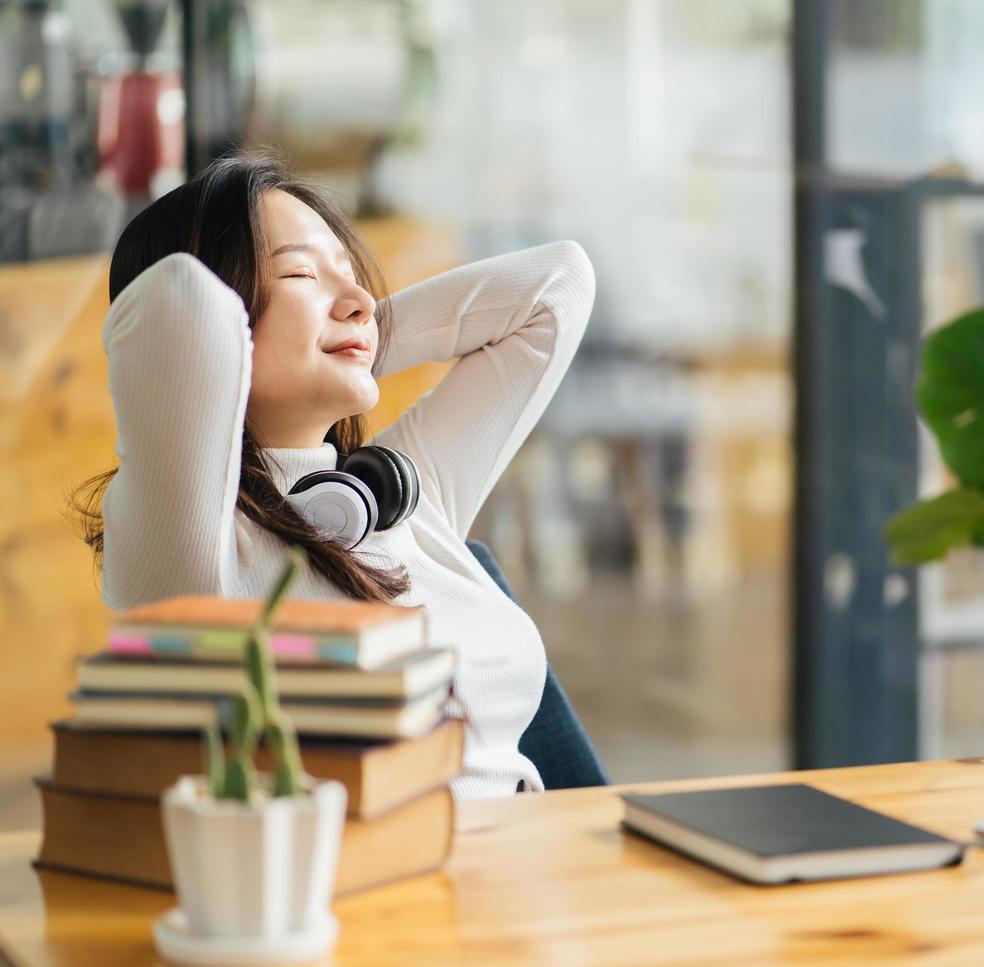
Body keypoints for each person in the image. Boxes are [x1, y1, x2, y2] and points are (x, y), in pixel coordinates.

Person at [68, 151, 595, 799]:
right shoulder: (187, 550)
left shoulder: (397, 492)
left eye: (354, 280)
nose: (358, 301)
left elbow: (558, 285)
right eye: (298, 274)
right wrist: (319, 342)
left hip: (545, 870)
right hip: (394, 888)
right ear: (230, 317)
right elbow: (179, 297)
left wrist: (353, 341)